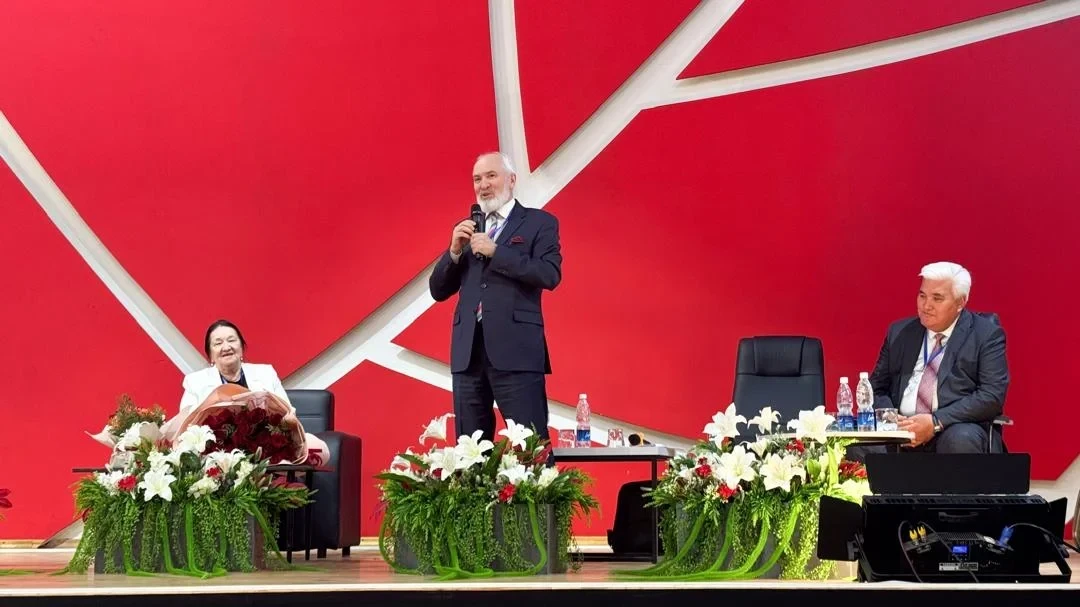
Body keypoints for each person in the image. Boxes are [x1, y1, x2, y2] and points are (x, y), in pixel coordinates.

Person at [429, 151, 562, 444]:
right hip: (468, 355)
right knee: (469, 453)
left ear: (512, 180)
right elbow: (438, 290)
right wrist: (453, 251)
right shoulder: (467, 228)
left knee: (530, 448)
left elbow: (549, 274)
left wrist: (497, 252)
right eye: (477, 179)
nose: (483, 185)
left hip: (516, 351)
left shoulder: (539, 222)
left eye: (491, 176)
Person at [866, 261, 1009, 454]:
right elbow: (876, 388)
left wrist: (935, 421)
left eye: (937, 298)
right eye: (922, 295)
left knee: (960, 440)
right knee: (855, 445)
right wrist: (890, 418)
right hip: (901, 429)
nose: (926, 305)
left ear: (961, 302)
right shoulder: (900, 332)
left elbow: (991, 395)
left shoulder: (985, 335)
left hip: (951, 427)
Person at [163, 319, 330, 463]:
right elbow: (187, 425)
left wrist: (286, 421)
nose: (226, 347)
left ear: (242, 348)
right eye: (218, 343)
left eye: (231, 340)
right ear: (211, 355)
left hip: (265, 447)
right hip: (216, 454)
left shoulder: (265, 373)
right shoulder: (195, 381)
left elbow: (286, 410)